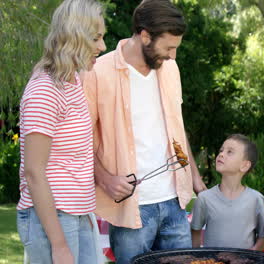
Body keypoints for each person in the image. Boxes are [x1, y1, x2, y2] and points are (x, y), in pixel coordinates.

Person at [82, 0, 207, 263]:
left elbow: (178, 131)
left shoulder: (170, 69)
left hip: (175, 202)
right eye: (169, 47)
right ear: (145, 35)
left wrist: (196, 181)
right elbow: (81, 140)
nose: (173, 56)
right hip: (131, 208)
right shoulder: (96, 72)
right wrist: (105, 179)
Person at [16, 0, 106, 263]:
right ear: (74, 37)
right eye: (95, 38)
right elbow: (34, 172)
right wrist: (59, 245)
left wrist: (85, 214)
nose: (101, 47)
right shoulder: (44, 91)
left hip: (77, 214)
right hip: (52, 219)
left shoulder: (73, 81)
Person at [191, 134, 264, 250]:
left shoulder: (256, 199)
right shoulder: (204, 198)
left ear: (244, 166)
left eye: (230, 152)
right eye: (221, 150)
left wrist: (251, 256)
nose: (221, 154)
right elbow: (195, 233)